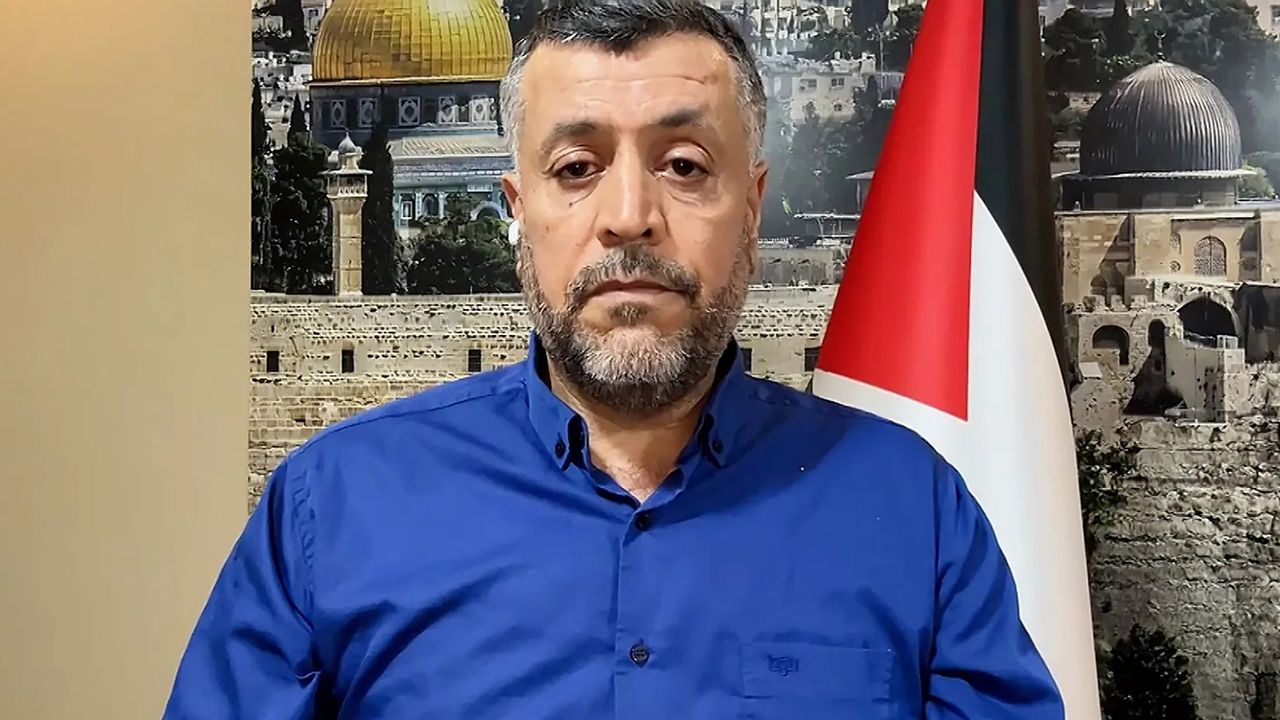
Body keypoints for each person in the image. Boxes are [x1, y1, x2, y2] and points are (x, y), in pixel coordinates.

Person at [165, 0, 1064, 717]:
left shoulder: (914, 515)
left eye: (684, 165)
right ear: (517, 210)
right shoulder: (334, 509)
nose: (629, 216)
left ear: (753, 208)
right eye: (575, 168)